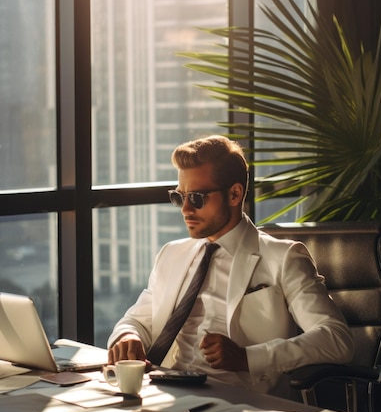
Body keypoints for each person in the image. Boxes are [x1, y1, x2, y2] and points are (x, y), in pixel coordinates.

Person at [107, 134, 354, 397]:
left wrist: (247, 358)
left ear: (235, 194)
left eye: (197, 198)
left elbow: (336, 339)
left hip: (241, 402)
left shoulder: (284, 258)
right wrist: (127, 336)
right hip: (164, 392)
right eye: (180, 197)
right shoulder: (171, 254)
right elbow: (137, 320)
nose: (185, 210)